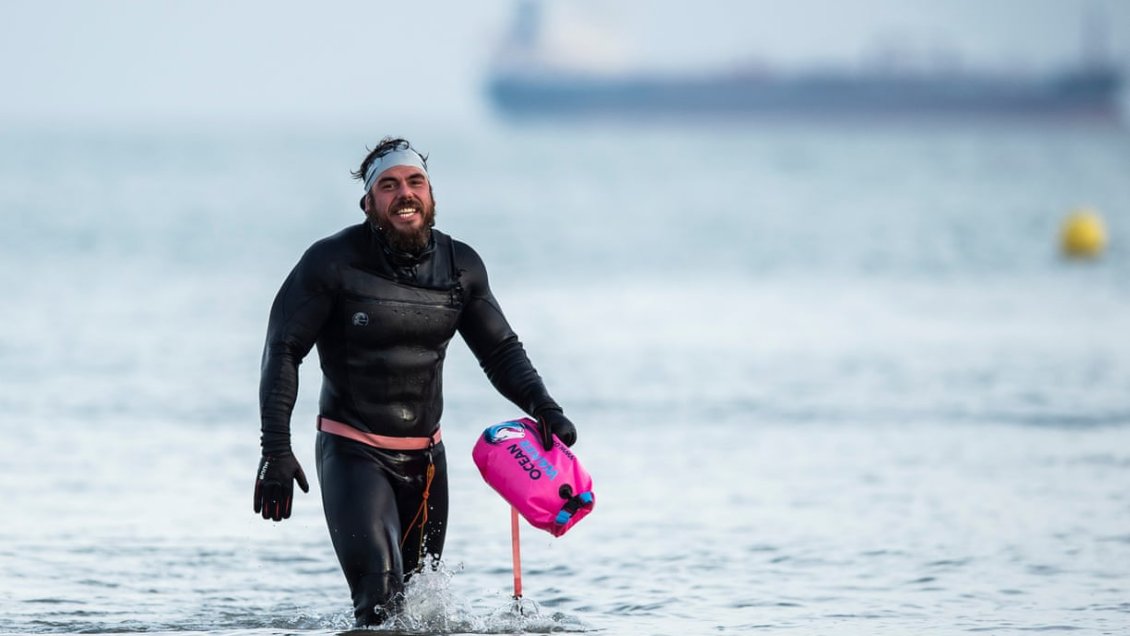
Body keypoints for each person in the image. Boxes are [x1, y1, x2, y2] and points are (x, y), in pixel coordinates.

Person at [252, 137, 578, 626]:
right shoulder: (331, 263)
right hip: (353, 452)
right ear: (369, 203)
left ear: (431, 196)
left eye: (414, 182)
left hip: (427, 462)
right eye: (388, 185)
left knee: (421, 614)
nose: (404, 194)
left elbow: (500, 349)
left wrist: (543, 406)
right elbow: (283, 349)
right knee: (381, 604)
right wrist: (275, 448)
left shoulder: (460, 267)